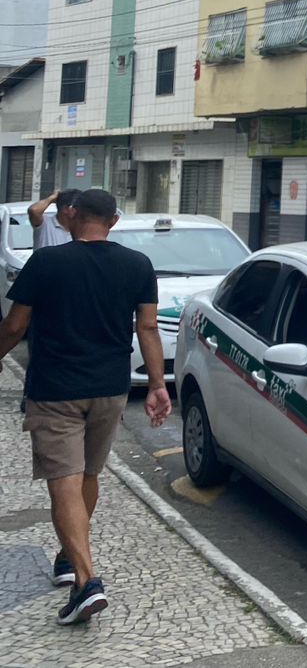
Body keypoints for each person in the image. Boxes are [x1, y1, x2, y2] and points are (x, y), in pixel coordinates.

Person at [0, 188, 169, 625]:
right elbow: (147, 327)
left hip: (56, 390)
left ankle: (86, 581)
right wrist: (156, 386)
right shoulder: (138, 265)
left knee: (63, 481)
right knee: (88, 476)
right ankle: (66, 558)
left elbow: (15, 326)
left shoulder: (47, 262)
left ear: (71, 218)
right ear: (113, 221)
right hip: (110, 390)